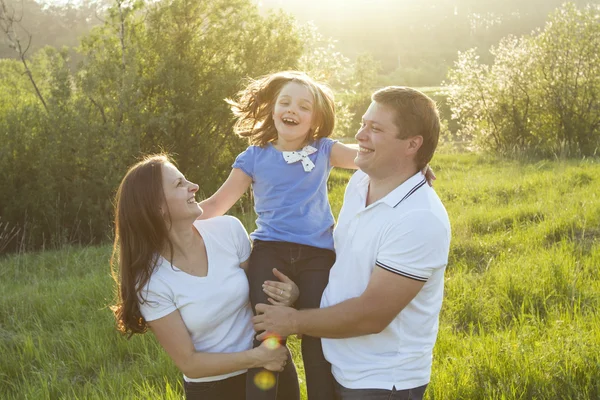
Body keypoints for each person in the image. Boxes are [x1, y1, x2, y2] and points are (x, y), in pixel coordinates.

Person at [252, 86, 452, 400]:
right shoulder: (361, 182)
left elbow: (371, 315)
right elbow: (345, 265)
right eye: (362, 123)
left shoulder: (420, 218)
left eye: (375, 129)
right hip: (336, 361)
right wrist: (299, 292)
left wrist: (293, 320)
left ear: (412, 144)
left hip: (381, 382)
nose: (360, 135)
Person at [198, 71, 361, 400]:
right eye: (285, 102)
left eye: (304, 106)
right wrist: (165, 222)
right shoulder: (254, 156)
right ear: (272, 109)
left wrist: (410, 163)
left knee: (317, 341)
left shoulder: (324, 149)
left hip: (318, 257)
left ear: (315, 117)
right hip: (270, 255)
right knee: (267, 339)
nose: (293, 110)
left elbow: (368, 158)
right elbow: (217, 203)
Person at [110, 154, 300, 400]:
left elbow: (262, 297)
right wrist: (258, 357)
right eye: (179, 184)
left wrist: (291, 296)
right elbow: (190, 363)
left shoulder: (228, 230)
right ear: (157, 207)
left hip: (271, 369)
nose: (194, 186)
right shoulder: (151, 282)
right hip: (215, 389)